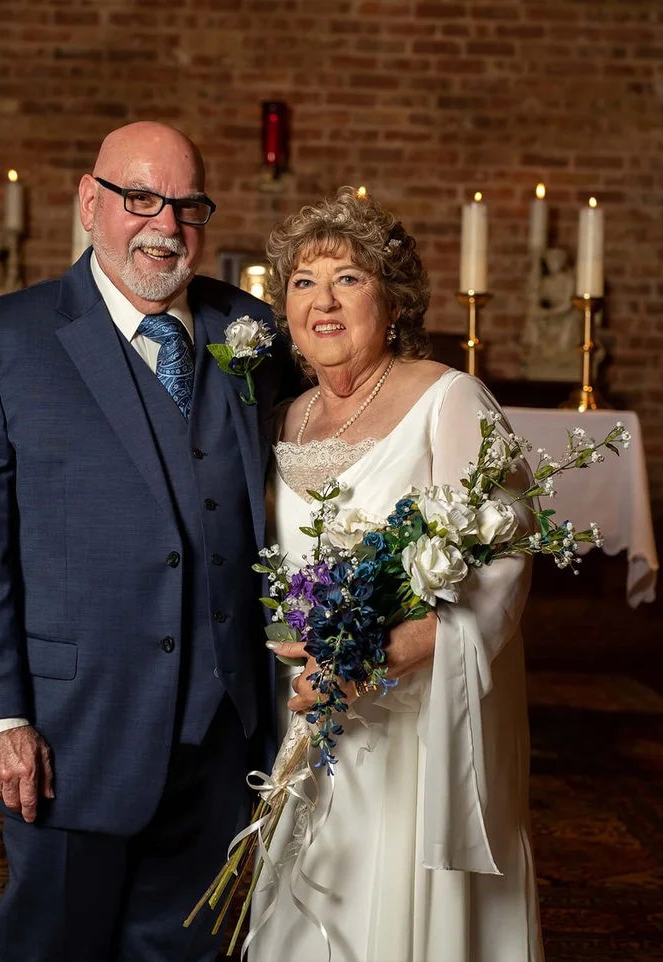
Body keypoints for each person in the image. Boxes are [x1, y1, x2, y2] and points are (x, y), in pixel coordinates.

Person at [0, 121, 294, 962]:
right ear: (90, 204)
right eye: (140, 199)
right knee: (55, 944)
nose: (165, 225)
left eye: (187, 204)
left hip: (224, 727)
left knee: (193, 950)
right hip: (70, 732)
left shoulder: (254, 331)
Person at [249, 187, 540, 959]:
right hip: (312, 715)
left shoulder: (448, 397)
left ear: (393, 297)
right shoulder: (282, 418)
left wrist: (400, 648)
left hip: (417, 721)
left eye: (349, 278)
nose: (324, 301)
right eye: (305, 282)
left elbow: (506, 548)